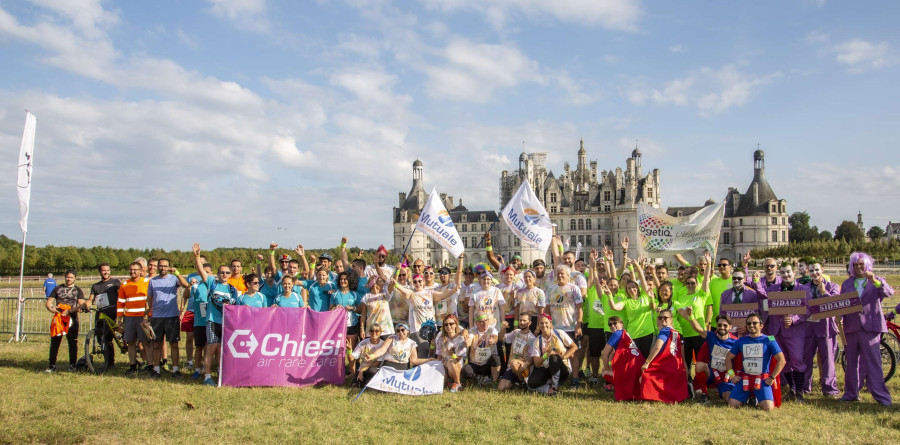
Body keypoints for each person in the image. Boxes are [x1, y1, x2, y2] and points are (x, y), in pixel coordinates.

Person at [839, 252, 893, 406]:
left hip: (870, 328)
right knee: (851, 363)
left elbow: (889, 292)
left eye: (861, 264)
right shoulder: (847, 283)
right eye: (855, 265)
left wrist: (874, 280)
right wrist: (838, 317)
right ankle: (851, 393)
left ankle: (882, 397)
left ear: (867, 265)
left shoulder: (876, 281)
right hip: (851, 327)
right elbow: (842, 304)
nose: (858, 267)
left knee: (873, 363)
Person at [392, 255, 463, 358]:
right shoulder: (412, 294)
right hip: (417, 329)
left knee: (432, 349)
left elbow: (443, 295)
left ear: (423, 282)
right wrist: (396, 283)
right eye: (415, 282)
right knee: (424, 348)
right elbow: (403, 289)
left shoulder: (430, 293)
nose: (417, 283)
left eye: (420, 281)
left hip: (431, 328)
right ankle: (419, 369)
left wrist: (454, 290)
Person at [758, 263, 809, 402]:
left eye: (788, 272)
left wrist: (794, 319)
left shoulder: (803, 289)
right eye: (783, 273)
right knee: (783, 360)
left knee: (797, 360)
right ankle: (791, 389)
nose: (786, 275)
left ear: (794, 272)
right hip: (776, 331)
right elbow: (764, 299)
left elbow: (808, 309)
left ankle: (799, 391)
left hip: (794, 331)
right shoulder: (773, 289)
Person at [193, 243, 239, 387]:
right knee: (211, 348)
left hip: (226, 323)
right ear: (217, 274)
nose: (224, 274)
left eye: (226, 272)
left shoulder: (233, 289)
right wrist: (197, 256)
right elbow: (201, 271)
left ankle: (219, 373)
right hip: (213, 321)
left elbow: (236, 307)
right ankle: (207, 376)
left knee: (221, 350)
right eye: (221, 272)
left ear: (230, 274)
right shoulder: (212, 283)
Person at [726, 313, 786, 411]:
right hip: (745, 378)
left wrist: (772, 378)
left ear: (761, 325)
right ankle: (749, 397)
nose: (751, 325)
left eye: (754, 323)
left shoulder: (769, 339)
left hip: (762, 379)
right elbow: (728, 358)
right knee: (732, 405)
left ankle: (757, 398)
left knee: (768, 408)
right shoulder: (741, 340)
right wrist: (732, 376)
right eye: (749, 323)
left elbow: (782, 360)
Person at [146, 258, 190, 378]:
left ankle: (175, 369)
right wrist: (147, 314)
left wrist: (177, 273)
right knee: (156, 344)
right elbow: (149, 299)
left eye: (165, 266)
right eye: (161, 266)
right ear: (157, 267)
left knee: (174, 344)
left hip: (172, 317)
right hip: (157, 317)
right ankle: (156, 369)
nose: (163, 268)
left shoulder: (174, 279)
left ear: (169, 267)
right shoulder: (152, 281)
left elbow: (186, 285)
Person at [802, 262, 841, 398]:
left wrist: (824, 292)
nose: (815, 273)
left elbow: (835, 305)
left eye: (817, 270)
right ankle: (805, 387)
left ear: (822, 270)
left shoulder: (833, 286)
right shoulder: (804, 288)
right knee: (806, 359)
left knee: (828, 360)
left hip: (826, 329)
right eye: (812, 270)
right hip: (809, 328)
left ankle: (829, 389)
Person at [675, 251, 713, 383]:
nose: (690, 285)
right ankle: (688, 383)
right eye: (688, 283)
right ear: (685, 284)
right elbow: (678, 311)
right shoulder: (680, 297)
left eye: (693, 283)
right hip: (685, 334)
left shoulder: (701, 295)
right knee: (686, 361)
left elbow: (707, 279)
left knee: (701, 361)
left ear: (696, 284)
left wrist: (708, 264)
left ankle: (702, 383)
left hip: (699, 333)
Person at [684, 313, 738, 403]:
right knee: (699, 365)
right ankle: (704, 395)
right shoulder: (712, 336)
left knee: (730, 400)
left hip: (727, 376)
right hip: (712, 373)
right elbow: (698, 329)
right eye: (719, 325)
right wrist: (691, 316)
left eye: (725, 325)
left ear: (730, 327)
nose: (722, 327)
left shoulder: (735, 341)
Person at [544, 264, 584, 384]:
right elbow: (547, 308)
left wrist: (579, 325)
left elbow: (580, 309)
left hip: (570, 327)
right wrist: (547, 324)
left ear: (568, 275)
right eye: (558, 273)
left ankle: (575, 378)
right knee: (555, 353)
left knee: (573, 354)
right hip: (555, 328)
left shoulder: (574, 288)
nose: (560, 275)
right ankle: (558, 378)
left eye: (563, 273)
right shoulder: (551, 289)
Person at [640, 309, 689, 404]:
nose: (663, 320)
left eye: (665, 317)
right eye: (660, 317)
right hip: (676, 369)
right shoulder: (677, 334)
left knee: (643, 377)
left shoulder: (664, 331)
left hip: (665, 367)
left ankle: (654, 397)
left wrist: (647, 362)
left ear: (671, 319)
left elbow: (657, 346)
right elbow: (682, 357)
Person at [45, 269, 85, 373]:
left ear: (75, 278)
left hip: (72, 319)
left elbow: (81, 304)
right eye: (67, 277)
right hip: (59, 319)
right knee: (55, 342)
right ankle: (51, 365)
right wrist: (52, 309)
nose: (69, 279)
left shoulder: (78, 290)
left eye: (71, 277)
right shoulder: (57, 288)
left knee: (72, 343)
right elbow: (49, 303)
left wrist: (70, 311)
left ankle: (72, 365)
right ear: (65, 277)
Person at [607, 272, 655, 358]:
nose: (631, 289)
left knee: (646, 358)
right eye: (629, 288)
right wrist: (610, 296)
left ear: (637, 287)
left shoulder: (644, 296)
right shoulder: (626, 301)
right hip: (634, 334)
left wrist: (637, 267)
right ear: (626, 290)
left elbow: (652, 306)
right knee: (635, 359)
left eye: (633, 287)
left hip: (647, 333)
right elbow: (614, 307)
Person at [527, 314, 578, 395]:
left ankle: (554, 387)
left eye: (546, 323)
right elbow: (536, 363)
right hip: (546, 367)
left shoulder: (559, 333)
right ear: (538, 325)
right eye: (541, 323)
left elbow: (574, 347)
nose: (544, 325)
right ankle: (548, 387)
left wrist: (563, 356)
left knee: (554, 358)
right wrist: (546, 355)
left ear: (550, 323)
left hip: (562, 368)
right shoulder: (537, 340)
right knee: (531, 383)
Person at [117, 262, 151, 375]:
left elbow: (150, 300)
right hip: (130, 318)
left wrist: (147, 316)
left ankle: (149, 365)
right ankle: (132, 366)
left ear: (141, 270)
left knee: (146, 342)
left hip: (143, 317)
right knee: (131, 342)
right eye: (131, 269)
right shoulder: (124, 284)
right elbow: (121, 303)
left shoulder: (147, 282)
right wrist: (119, 319)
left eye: (135, 269)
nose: (133, 272)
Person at [600, 316, 645, 401]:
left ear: (621, 324)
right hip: (637, 366)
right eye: (610, 324)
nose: (612, 326)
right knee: (608, 369)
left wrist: (607, 367)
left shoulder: (616, 334)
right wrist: (610, 365)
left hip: (629, 368)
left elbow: (604, 353)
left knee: (604, 373)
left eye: (614, 323)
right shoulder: (625, 334)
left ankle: (618, 386)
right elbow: (612, 354)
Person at [87, 263, 121, 371]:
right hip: (101, 314)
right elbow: (90, 299)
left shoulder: (115, 282)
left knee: (109, 337)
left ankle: (110, 362)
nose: (105, 272)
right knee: (100, 338)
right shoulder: (95, 286)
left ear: (110, 271)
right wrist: (87, 304)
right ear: (100, 272)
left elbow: (121, 296)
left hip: (113, 313)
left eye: (107, 270)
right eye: (103, 270)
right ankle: (107, 360)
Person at [368, 322, 437, 370]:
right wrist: (372, 356)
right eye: (398, 330)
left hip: (402, 367)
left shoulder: (412, 343)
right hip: (389, 365)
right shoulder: (392, 338)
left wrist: (429, 360)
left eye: (402, 330)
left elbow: (414, 360)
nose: (400, 332)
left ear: (408, 331)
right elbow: (382, 350)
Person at [331, 271, 362, 373]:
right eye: (341, 279)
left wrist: (353, 308)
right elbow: (329, 310)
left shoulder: (354, 294)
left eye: (345, 279)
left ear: (349, 281)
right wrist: (336, 308)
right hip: (338, 326)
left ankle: (353, 371)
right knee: (340, 349)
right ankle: (341, 370)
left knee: (351, 349)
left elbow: (360, 309)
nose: (343, 281)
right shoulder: (335, 294)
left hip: (352, 324)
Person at [498, 313, 536, 391]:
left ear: (529, 323)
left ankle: (523, 382)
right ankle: (517, 382)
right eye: (520, 320)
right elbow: (501, 338)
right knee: (501, 388)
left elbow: (533, 357)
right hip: (511, 368)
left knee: (513, 363)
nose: (521, 323)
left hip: (524, 368)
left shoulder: (532, 338)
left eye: (524, 321)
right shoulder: (516, 332)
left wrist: (526, 364)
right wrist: (503, 328)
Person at [463, 314, 501, 385]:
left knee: (496, 358)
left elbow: (495, 336)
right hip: (475, 363)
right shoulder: (472, 331)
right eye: (481, 322)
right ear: (476, 323)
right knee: (465, 371)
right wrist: (467, 343)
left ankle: (494, 382)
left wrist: (493, 340)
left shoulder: (492, 329)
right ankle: (478, 377)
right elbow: (470, 339)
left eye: (486, 320)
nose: (485, 323)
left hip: (487, 363)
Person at [718, 270, 759, 335]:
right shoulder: (725, 294)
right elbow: (722, 314)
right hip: (729, 334)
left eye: (739, 278)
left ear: (745, 279)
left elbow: (756, 315)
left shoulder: (752, 294)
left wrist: (747, 326)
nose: (736, 280)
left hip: (746, 334)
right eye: (734, 278)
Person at [435, 314, 468, 392]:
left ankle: (458, 383)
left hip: (456, 365)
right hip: (444, 366)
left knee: (451, 362)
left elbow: (458, 358)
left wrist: (451, 353)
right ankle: (449, 381)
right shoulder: (440, 339)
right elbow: (439, 356)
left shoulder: (461, 339)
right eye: (446, 324)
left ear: (456, 324)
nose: (448, 326)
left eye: (451, 324)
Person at [513, 269, 546, 333]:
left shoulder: (539, 292)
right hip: (522, 320)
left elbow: (541, 311)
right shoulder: (519, 292)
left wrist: (538, 327)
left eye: (529, 277)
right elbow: (516, 309)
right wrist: (515, 325)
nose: (527, 279)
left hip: (534, 320)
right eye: (525, 277)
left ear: (534, 278)